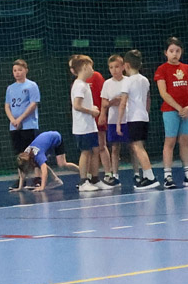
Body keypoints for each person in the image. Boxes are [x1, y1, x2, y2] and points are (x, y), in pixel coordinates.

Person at [154, 37, 188, 188]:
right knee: (170, 142)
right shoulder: (162, 69)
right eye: (171, 51)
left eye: (177, 51)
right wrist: (179, 108)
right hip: (171, 111)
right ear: (166, 53)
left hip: (187, 112)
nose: (174, 54)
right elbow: (163, 93)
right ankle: (167, 176)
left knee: (185, 142)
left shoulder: (187, 68)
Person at [122, 50, 160, 190]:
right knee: (139, 147)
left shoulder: (128, 81)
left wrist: (120, 120)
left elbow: (123, 102)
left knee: (138, 147)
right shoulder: (145, 80)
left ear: (126, 65)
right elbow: (148, 99)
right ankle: (146, 174)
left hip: (133, 118)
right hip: (143, 117)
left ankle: (150, 177)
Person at [69, 54, 102, 192]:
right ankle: (83, 182)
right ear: (84, 67)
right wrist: (91, 111)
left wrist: (92, 108)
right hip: (82, 126)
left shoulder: (84, 85)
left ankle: (95, 179)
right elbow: (76, 105)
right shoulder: (79, 86)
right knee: (85, 152)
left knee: (95, 151)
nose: (92, 70)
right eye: (90, 66)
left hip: (90, 125)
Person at [5, 59, 41, 183]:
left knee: (32, 152)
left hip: (28, 125)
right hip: (14, 126)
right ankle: (21, 179)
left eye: (20, 70)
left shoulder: (31, 85)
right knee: (19, 154)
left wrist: (20, 119)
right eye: (15, 70)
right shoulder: (10, 88)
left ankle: (37, 177)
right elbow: (7, 106)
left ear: (26, 70)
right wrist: (13, 120)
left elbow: (33, 104)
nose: (17, 73)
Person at [99, 54, 131, 187]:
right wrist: (114, 101)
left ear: (123, 67)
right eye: (111, 67)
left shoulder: (129, 81)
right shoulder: (107, 83)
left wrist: (123, 100)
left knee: (133, 147)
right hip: (112, 120)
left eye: (117, 66)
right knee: (114, 148)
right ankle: (114, 175)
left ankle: (137, 174)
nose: (114, 70)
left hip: (128, 119)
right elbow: (105, 103)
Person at [12, 131, 79, 192]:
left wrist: (42, 187)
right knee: (39, 164)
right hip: (45, 139)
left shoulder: (38, 155)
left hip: (56, 138)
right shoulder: (25, 155)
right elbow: (21, 171)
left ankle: (82, 172)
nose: (27, 170)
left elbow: (44, 172)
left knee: (62, 164)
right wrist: (20, 187)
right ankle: (56, 180)